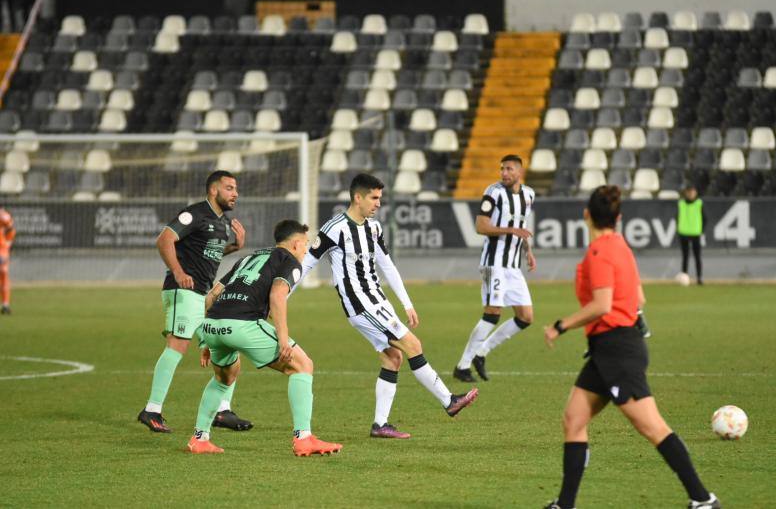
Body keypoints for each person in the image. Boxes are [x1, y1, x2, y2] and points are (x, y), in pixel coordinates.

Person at [542, 185, 720, 509]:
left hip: (617, 350)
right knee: (574, 418)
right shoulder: (621, 246)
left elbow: (601, 305)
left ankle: (703, 498)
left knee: (652, 426)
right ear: (619, 218)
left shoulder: (598, 252)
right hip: (609, 348)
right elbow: (638, 298)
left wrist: (561, 325)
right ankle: (565, 504)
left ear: (586, 215)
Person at [300, 173, 478, 439]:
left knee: (392, 358)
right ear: (357, 197)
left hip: (377, 300)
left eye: (380, 198)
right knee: (413, 346)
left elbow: (387, 266)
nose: (378, 203)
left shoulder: (374, 228)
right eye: (374, 197)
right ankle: (449, 401)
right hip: (360, 303)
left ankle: (379, 425)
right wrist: (281, 295)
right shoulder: (334, 228)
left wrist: (407, 303)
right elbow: (307, 263)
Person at [188, 220, 342, 456]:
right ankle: (304, 438)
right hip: (243, 324)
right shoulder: (289, 261)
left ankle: (200, 438)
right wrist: (283, 339)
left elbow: (211, 296)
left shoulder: (248, 258)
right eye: (305, 245)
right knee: (302, 366)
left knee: (224, 377)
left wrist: (206, 341)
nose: (306, 250)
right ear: (297, 243)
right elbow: (277, 296)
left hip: (212, 325)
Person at [138, 171, 252, 433]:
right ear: (214, 190)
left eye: (236, 188)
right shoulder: (195, 213)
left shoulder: (222, 223)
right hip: (183, 290)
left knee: (225, 342)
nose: (235, 193)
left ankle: (222, 411)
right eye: (229, 188)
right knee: (178, 345)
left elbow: (206, 253)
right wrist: (178, 272)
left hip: (202, 295)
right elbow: (164, 239)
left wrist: (234, 248)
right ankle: (152, 410)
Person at [453, 154, 536, 383]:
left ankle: (482, 352)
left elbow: (521, 226)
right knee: (492, 313)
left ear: (520, 171)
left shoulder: (529, 195)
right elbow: (481, 226)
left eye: (509, 169)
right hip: (494, 263)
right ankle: (462, 366)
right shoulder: (493, 192)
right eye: (502, 169)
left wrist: (527, 250)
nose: (504, 173)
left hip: (512, 265)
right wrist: (511, 232)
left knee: (526, 317)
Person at [677, 185, 706, 285]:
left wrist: (701, 230)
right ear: (686, 193)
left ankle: (699, 277)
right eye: (689, 192)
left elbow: (704, 218)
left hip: (695, 233)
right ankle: (684, 277)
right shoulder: (681, 204)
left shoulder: (699, 203)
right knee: (685, 256)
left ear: (695, 193)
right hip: (683, 233)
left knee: (697, 256)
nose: (690, 194)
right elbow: (677, 217)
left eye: (692, 192)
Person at [0, 207, 15, 315]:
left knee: (3, 274)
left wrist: (8, 243)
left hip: (1, 250)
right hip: (3, 250)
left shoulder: (3, 214)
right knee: (4, 275)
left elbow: (11, 229)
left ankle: (5, 304)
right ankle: (5, 304)